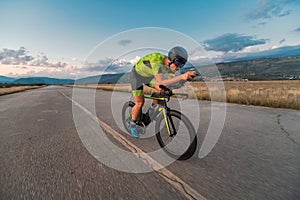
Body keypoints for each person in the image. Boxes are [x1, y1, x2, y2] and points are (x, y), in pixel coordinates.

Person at [129, 46, 196, 138]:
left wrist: (184, 80)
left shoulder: (170, 68)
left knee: (162, 89)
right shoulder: (157, 60)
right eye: (178, 64)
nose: (178, 68)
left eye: (182, 65)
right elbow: (161, 82)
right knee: (140, 103)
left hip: (148, 77)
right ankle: (132, 124)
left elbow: (169, 82)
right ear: (171, 60)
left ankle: (150, 112)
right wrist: (182, 76)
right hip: (137, 76)